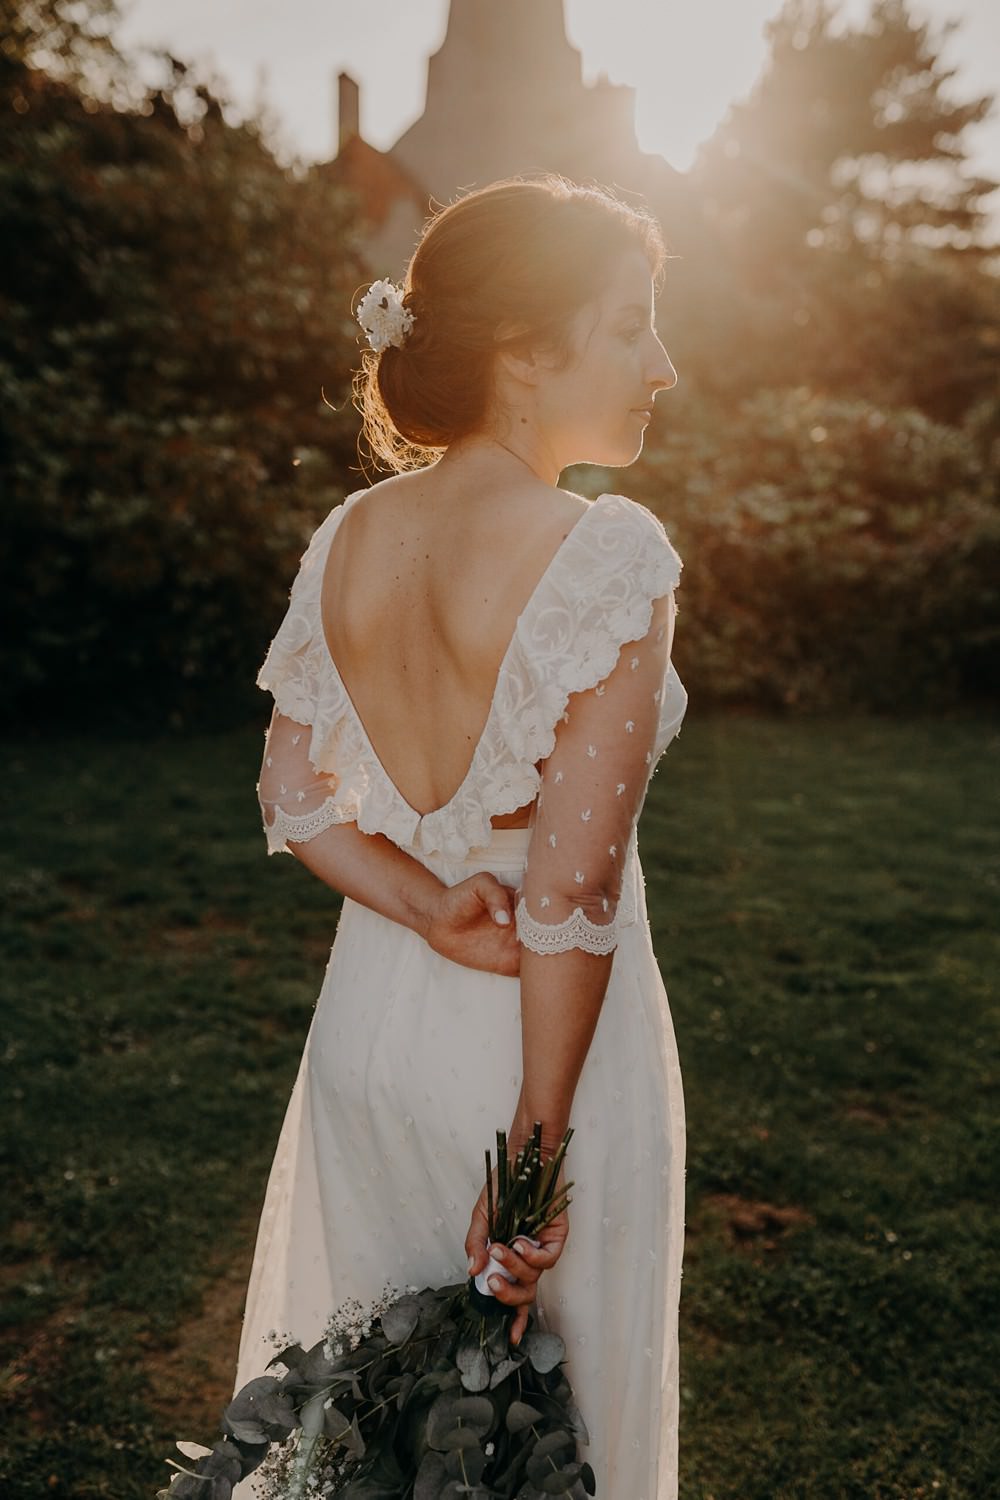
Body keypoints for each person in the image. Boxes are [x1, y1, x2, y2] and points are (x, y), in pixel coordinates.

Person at [232, 173, 688, 1500]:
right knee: (554, 1447)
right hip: (535, 1061)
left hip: (374, 1033)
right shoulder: (608, 553)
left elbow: (295, 798)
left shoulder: (348, 537)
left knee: (361, 1443)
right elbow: (570, 889)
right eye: (630, 325)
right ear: (526, 354)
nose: (663, 364)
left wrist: (426, 906)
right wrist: (532, 1163)